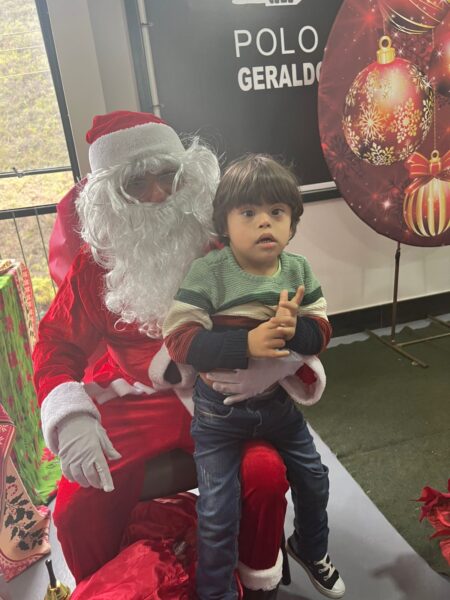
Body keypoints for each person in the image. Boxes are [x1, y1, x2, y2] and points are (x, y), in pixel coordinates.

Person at [32, 111, 309, 599]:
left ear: (190, 176)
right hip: (135, 398)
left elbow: (291, 312)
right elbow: (57, 343)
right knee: (75, 509)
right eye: (136, 183)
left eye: (168, 175)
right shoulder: (95, 267)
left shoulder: (229, 244)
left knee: (265, 476)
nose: (158, 194)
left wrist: (269, 369)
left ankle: (255, 583)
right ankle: (109, 587)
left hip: (224, 396)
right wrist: (70, 418)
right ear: (111, 198)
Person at [163, 154, 346, 600]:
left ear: (292, 223)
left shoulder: (298, 270)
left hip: (277, 408)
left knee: (315, 477)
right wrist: (246, 343)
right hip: (218, 418)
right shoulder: (210, 272)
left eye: (276, 212)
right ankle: (216, 591)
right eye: (248, 212)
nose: (265, 222)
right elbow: (179, 340)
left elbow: (321, 331)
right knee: (217, 511)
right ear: (224, 224)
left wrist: (294, 330)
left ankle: (310, 546)